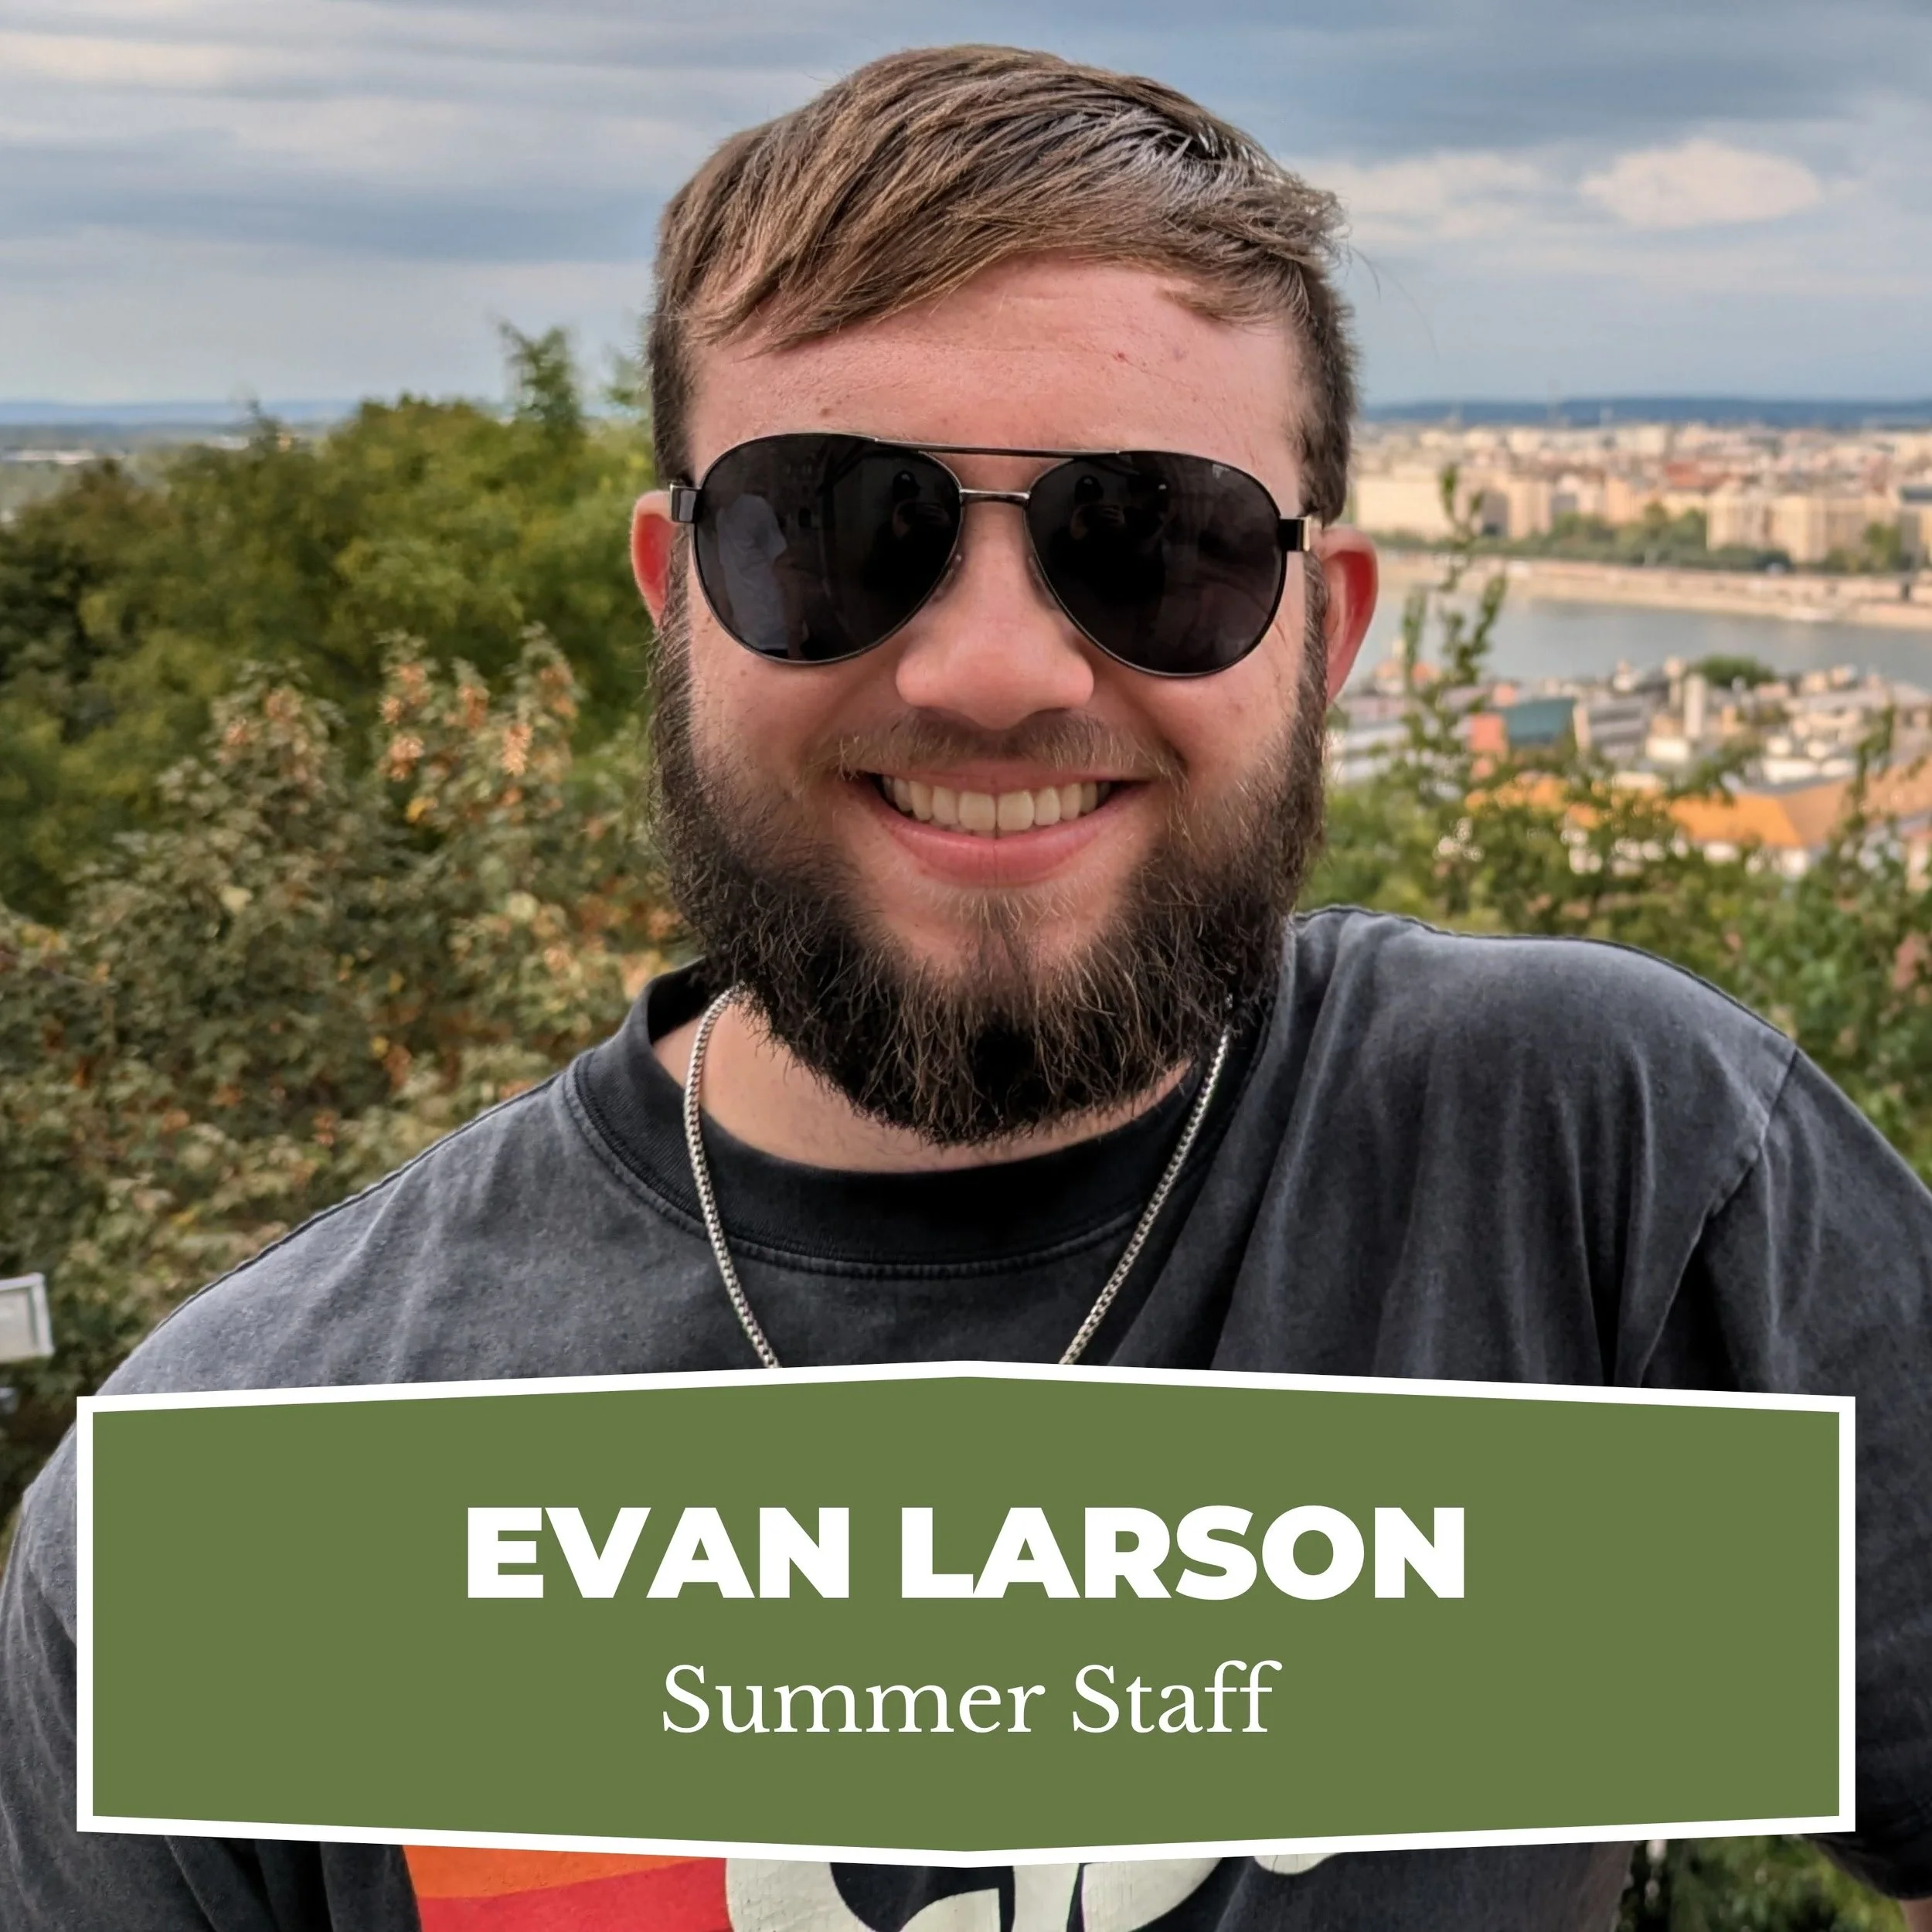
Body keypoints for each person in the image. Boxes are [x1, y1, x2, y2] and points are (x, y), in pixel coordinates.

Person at [2, 43, 1928, 1932]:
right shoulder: (226, 1497)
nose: (988, 671)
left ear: (1322, 635)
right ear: (676, 598)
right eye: (840, 528)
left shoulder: (1614, 1165)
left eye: (1153, 545)